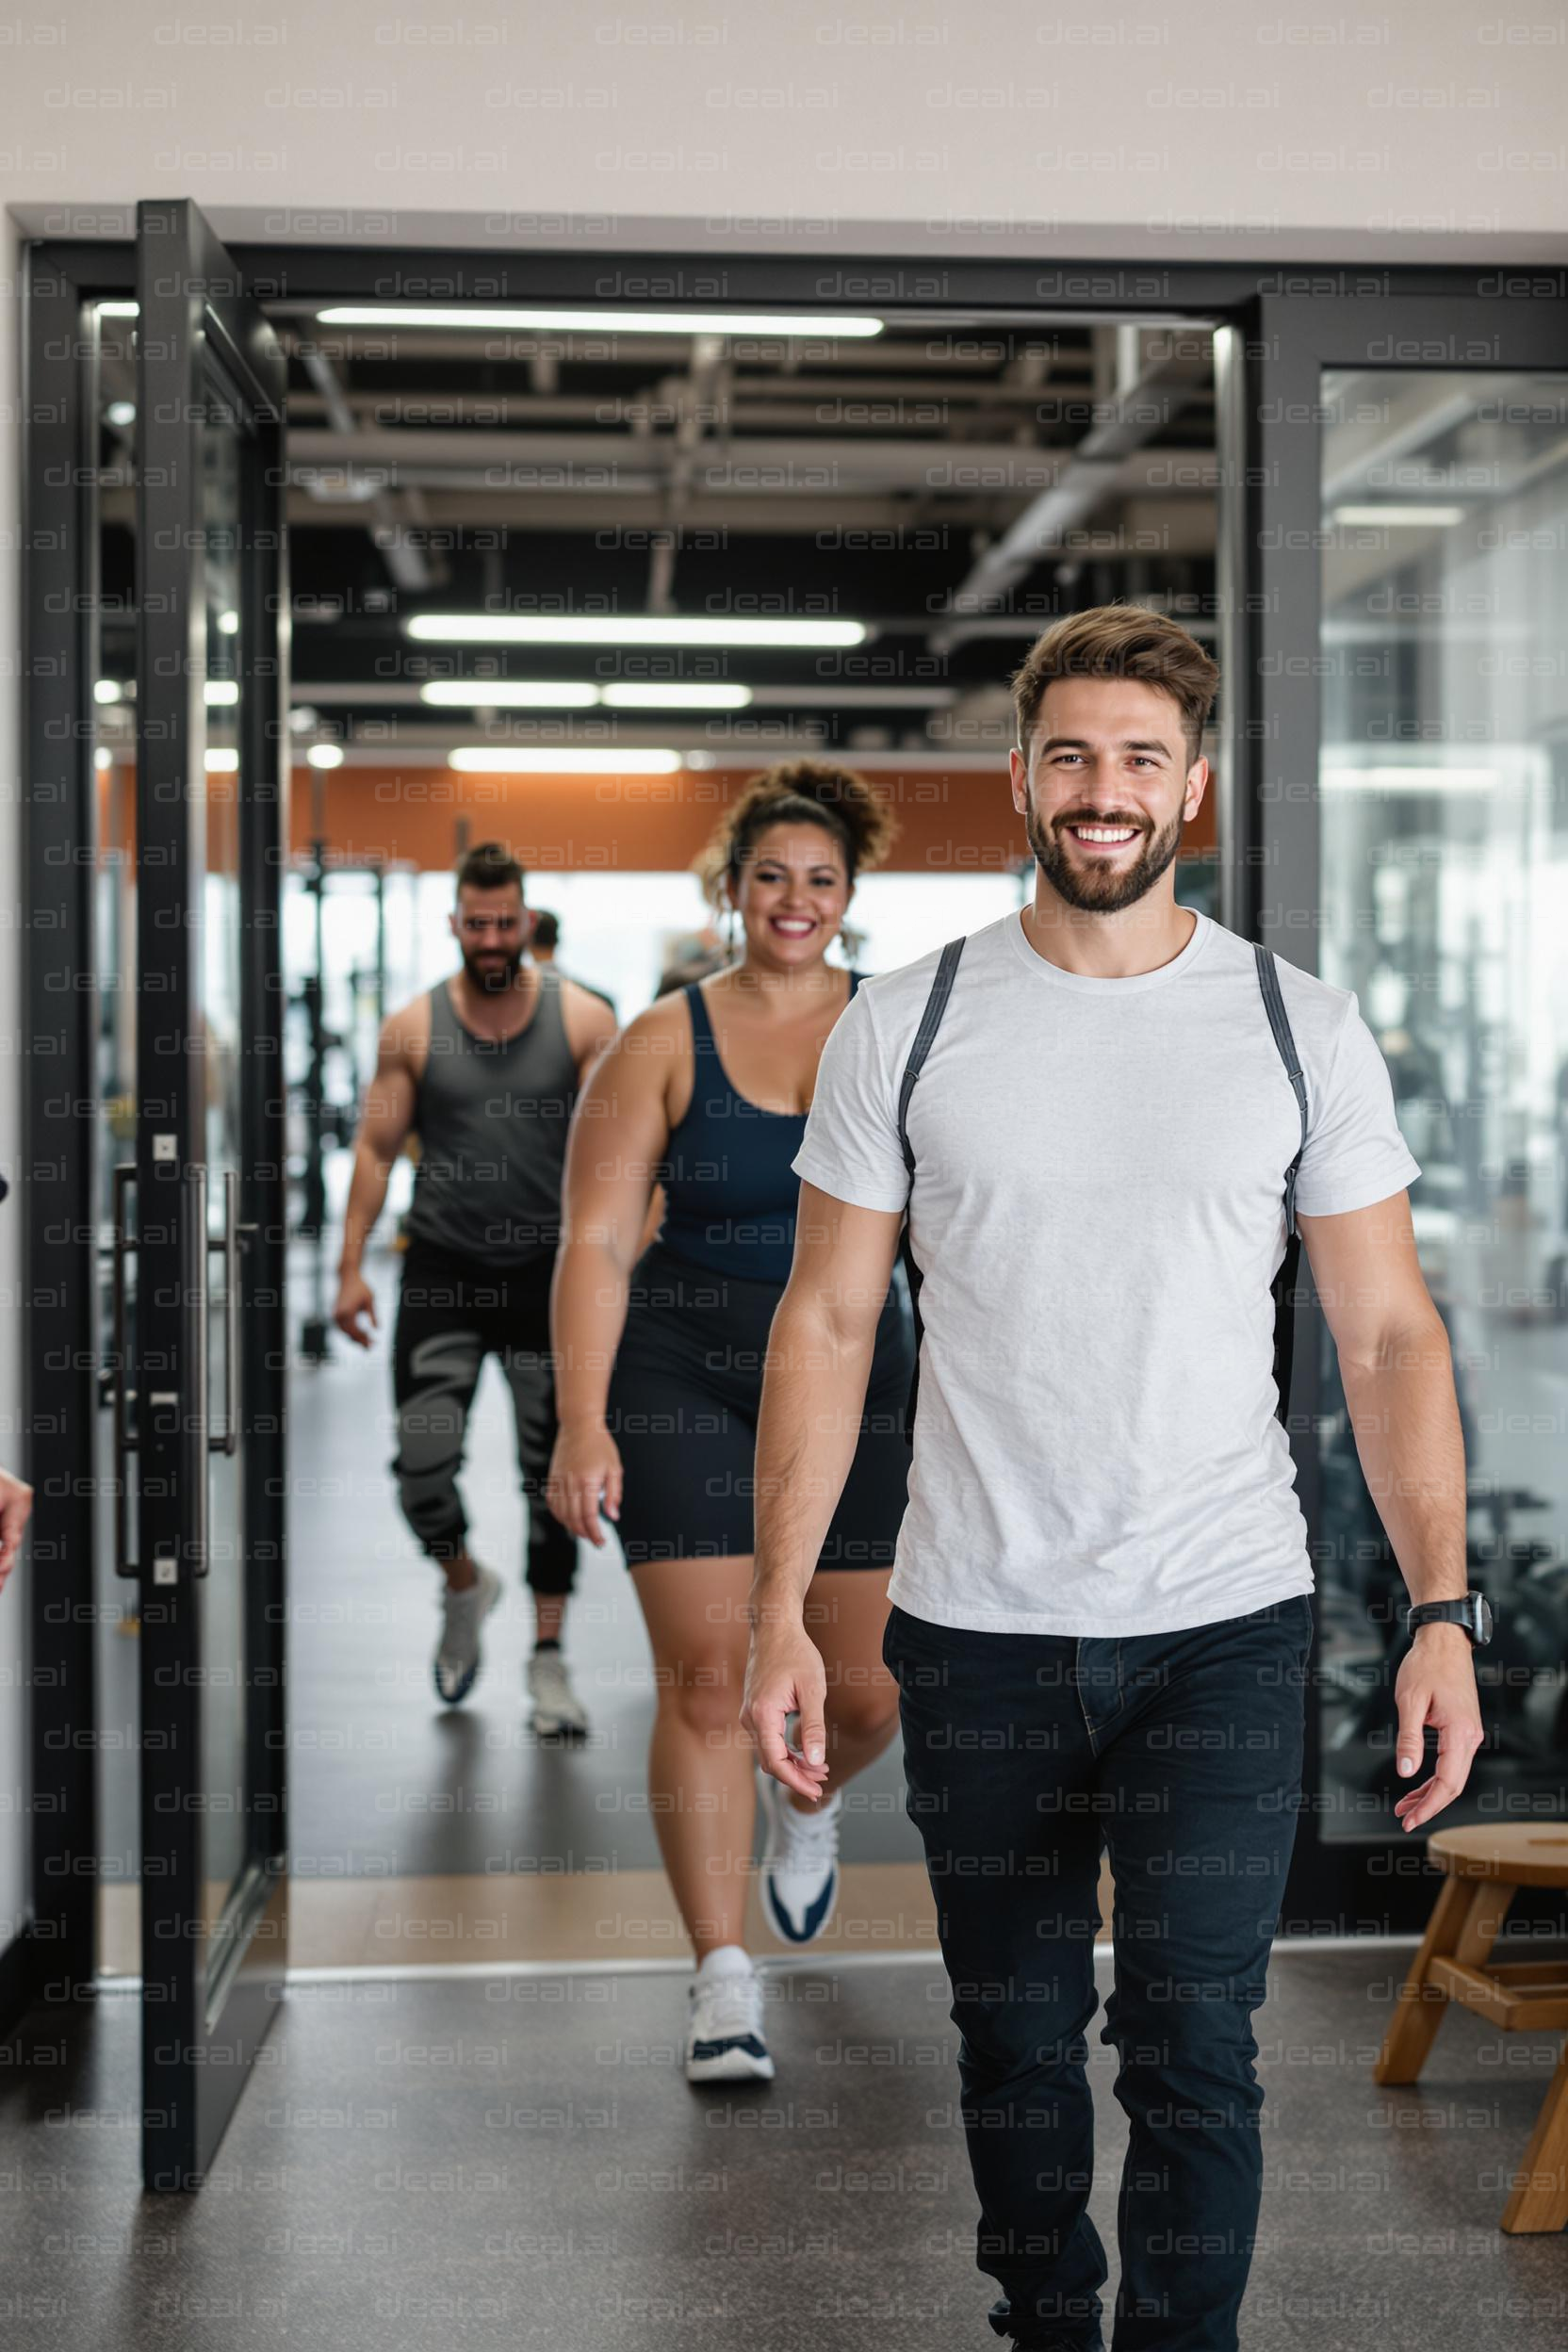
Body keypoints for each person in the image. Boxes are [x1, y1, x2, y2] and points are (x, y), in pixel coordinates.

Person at [740, 606, 1483, 2352]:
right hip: (974, 1620)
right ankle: (1043, 2323)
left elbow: (1386, 1339)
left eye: (1138, 759)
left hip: (1217, 1614)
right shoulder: (907, 1025)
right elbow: (825, 1321)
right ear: (1017, 777)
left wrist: (1436, 1609)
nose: (1100, 791)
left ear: (1191, 792)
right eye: (1068, 755)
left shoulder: (1296, 1030)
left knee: (1190, 2039)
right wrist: (778, 1604)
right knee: (1007, 2042)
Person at [546, 762, 916, 2084]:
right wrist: (581, 1421)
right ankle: (720, 1980)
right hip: (687, 1373)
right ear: (730, 889)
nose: (795, 901)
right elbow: (594, 1241)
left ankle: (805, 1807)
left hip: (865, 1376)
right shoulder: (661, 1040)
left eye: (821, 880)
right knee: (706, 1682)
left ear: (851, 895)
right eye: (772, 877)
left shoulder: (902, 1028)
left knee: (868, 1690)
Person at [335, 842, 618, 1736]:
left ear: (528, 922)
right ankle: (464, 1585)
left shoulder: (584, 1021)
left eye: (506, 922)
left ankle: (547, 1660)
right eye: (476, 922)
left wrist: (623, 1270)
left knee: (552, 1478)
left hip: (550, 1277)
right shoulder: (413, 1028)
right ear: (453, 922)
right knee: (421, 1466)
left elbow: (625, 1156)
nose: (492, 937)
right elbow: (377, 1152)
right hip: (444, 1270)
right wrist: (348, 1269)